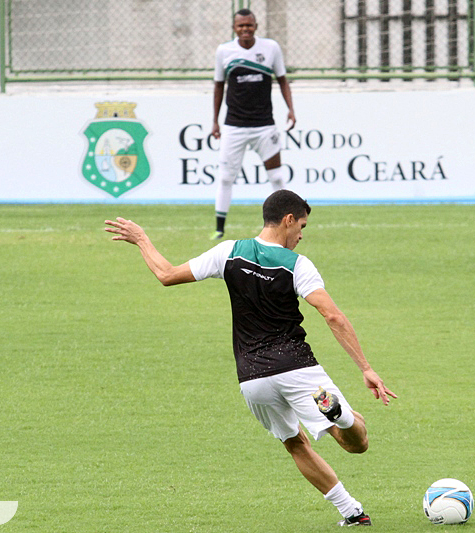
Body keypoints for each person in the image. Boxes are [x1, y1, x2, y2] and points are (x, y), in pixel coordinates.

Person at [104, 189, 396, 527]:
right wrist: (366, 367)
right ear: (288, 220)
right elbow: (333, 316)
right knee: (355, 443)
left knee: (296, 444)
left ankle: (352, 512)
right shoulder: (296, 265)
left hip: (253, 379)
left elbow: (167, 274)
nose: (301, 235)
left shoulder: (229, 252)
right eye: (301, 226)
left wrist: (141, 239)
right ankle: (341, 418)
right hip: (298, 369)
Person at [211, 8, 296, 240]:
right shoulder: (224, 51)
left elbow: (282, 80)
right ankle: (219, 228)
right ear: (234, 28)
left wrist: (291, 109)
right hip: (234, 126)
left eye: (249, 25)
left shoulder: (271, 48)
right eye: (241, 26)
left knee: (277, 176)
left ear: (256, 26)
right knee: (226, 177)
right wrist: (215, 121)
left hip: (264, 125)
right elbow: (219, 85)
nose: (245, 29)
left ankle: (287, 221)